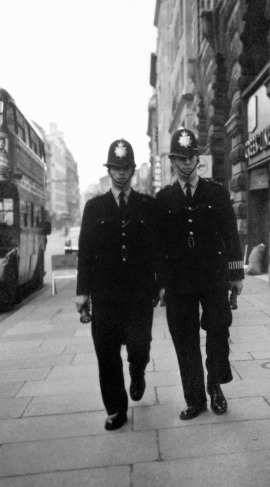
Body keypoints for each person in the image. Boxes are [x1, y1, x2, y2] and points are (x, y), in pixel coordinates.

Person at [156, 127, 244, 420]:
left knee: (218, 331)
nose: (186, 163)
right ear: (172, 160)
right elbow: (158, 246)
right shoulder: (163, 199)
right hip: (179, 281)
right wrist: (160, 284)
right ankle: (194, 399)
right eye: (180, 158)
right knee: (185, 339)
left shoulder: (217, 193)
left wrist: (236, 276)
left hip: (213, 276)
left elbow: (231, 237)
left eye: (191, 156)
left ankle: (215, 387)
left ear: (197, 158)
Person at [76, 139, 160, 431]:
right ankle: (116, 409)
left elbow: (157, 250)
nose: (121, 174)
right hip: (105, 296)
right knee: (107, 355)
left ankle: (137, 373)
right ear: (109, 170)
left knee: (139, 347)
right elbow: (85, 251)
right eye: (116, 168)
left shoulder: (147, 206)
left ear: (133, 170)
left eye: (126, 168)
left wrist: (159, 284)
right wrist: (81, 291)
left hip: (139, 296)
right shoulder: (94, 207)